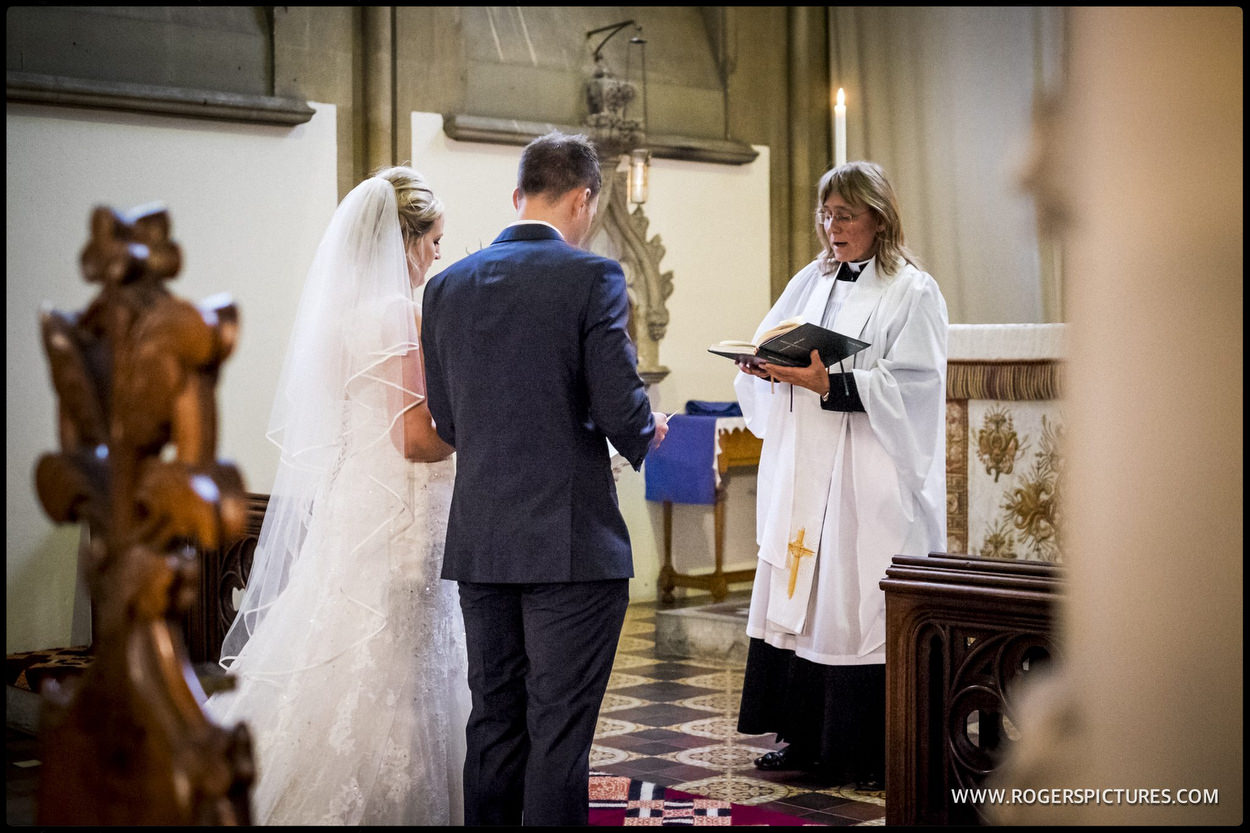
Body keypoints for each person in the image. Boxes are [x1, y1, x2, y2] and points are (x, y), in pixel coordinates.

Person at [202, 166, 471, 825]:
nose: (439, 253)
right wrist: (472, 434)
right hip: (405, 509)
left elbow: (350, 419)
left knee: (343, 643)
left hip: (353, 504)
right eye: (435, 240)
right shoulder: (402, 315)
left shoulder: (335, 320)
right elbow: (414, 437)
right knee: (404, 657)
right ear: (406, 240)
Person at [420, 130, 669, 826]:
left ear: (518, 196)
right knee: (558, 733)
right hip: (570, 546)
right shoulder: (593, 277)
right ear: (586, 199)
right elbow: (622, 409)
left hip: (482, 543)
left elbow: (448, 421)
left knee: (494, 723)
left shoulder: (445, 287)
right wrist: (651, 432)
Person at [732, 160, 948, 789]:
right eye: (826, 214)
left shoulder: (913, 291)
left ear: (879, 218)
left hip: (865, 479)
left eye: (846, 214)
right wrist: (762, 366)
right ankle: (804, 737)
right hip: (806, 471)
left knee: (854, 607)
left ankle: (870, 748)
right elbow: (770, 337)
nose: (832, 226)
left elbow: (917, 383)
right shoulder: (811, 281)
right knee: (805, 600)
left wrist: (831, 382)